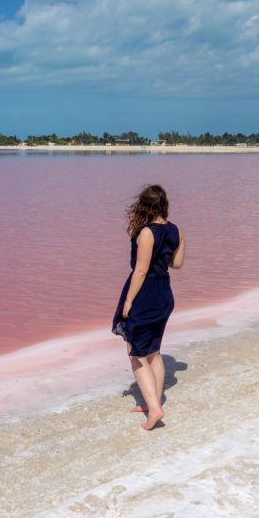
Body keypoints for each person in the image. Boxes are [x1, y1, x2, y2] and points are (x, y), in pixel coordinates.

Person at [111, 184, 186, 430]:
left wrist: (129, 300)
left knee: (136, 352)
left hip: (146, 294)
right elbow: (177, 264)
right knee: (153, 350)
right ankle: (152, 401)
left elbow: (141, 270)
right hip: (164, 293)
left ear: (145, 205)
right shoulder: (177, 231)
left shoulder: (146, 233)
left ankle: (154, 408)